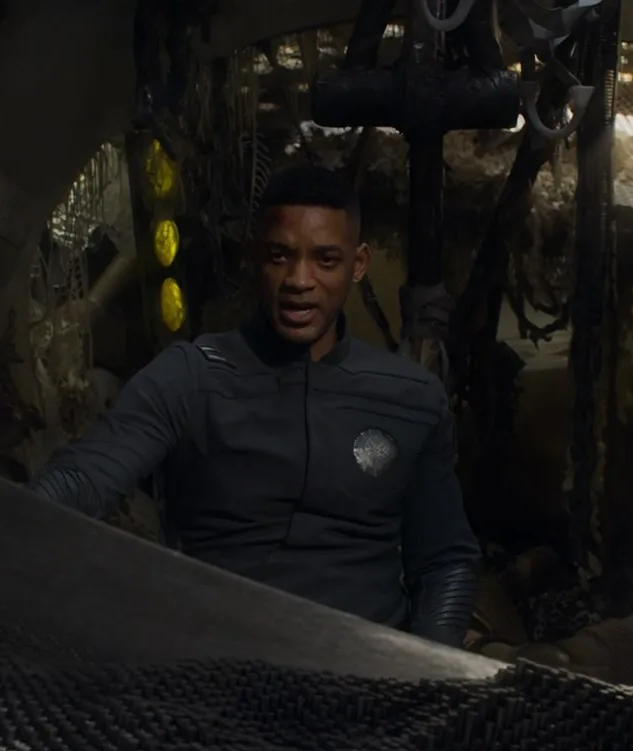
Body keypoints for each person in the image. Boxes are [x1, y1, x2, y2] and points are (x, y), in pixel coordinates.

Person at [27, 164, 481, 647]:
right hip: (216, 662)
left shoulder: (410, 397)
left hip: (368, 667)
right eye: (280, 256)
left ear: (358, 264)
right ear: (252, 256)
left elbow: (445, 561)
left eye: (326, 260)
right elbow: (85, 479)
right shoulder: (190, 377)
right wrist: (0, 523)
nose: (299, 280)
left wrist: (430, 669)